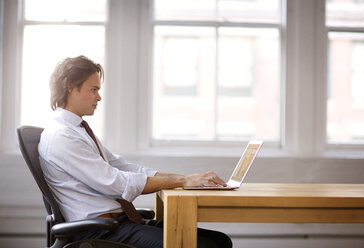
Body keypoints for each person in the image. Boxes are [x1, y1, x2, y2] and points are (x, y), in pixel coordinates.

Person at [38, 55, 233, 248]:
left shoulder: (77, 130)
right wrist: (183, 181)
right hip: (101, 231)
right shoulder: (62, 136)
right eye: (94, 89)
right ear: (71, 87)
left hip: (118, 223)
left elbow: (122, 166)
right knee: (204, 246)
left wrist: (188, 178)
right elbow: (116, 183)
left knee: (220, 241)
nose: (99, 97)